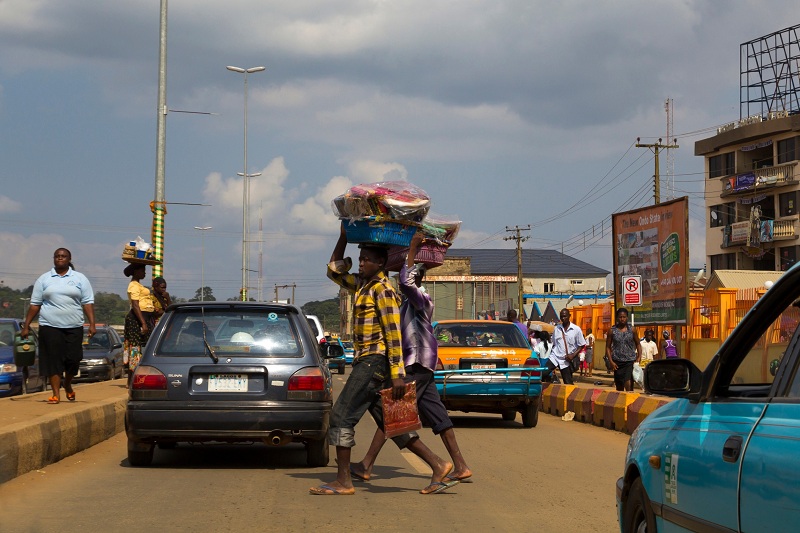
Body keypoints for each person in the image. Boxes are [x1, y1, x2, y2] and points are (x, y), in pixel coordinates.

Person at [309, 224, 457, 496]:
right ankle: (438, 464)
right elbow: (333, 270)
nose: (362, 262)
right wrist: (343, 237)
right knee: (391, 422)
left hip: (373, 362)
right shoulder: (361, 285)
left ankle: (343, 481)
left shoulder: (383, 290)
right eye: (361, 257)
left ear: (381, 263)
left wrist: (398, 372)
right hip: (369, 361)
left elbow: (392, 334)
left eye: (367, 259)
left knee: (341, 416)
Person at [350, 232, 473, 486]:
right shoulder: (406, 302)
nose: (400, 279)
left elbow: (406, 282)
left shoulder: (421, 298)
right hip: (423, 366)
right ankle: (460, 465)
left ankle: (367, 464)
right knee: (438, 416)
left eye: (406, 274)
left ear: (416, 277)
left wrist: (414, 247)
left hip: (416, 363)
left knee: (392, 411)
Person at [20, 248, 96, 404]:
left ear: (69, 259)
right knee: (53, 360)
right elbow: (35, 304)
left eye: (63, 256)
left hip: (74, 326)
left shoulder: (79, 278)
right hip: (49, 326)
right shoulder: (44, 279)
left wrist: (92, 324)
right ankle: (55, 393)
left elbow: (87, 302)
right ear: (53, 259)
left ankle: (67, 384)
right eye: (57, 256)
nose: (60, 258)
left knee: (73, 359)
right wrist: (26, 325)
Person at [124, 263, 155, 380]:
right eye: (143, 270)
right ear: (136, 272)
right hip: (137, 318)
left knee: (148, 345)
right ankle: (131, 378)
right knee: (135, 347)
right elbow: (135, 305)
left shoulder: (139, 285)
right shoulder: (133, 285)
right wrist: (143, 323)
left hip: (146, 317)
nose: (144, 273)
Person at [545, 308, 586, 385]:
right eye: (561, 317)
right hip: (555, 357)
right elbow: (554, 342)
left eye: (565, 316)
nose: (563, 318)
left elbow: (582, 344)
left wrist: (573, 355)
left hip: (565, 361)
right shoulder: (557, 328)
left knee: (568, 383)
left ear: (569, 316)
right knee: (543, 373)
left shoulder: (576, 329)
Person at [606, 308, 642, 392]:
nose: (622, 319)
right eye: (620, 317)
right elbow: (608, 347)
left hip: (630, 361)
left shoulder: (632, 330)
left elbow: (638, 343)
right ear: (617, 318)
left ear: (627, 318)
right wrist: (611, 362)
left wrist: (639, 356)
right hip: (617, 362)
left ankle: (630, 399)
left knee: (628, 381)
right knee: (619, 387)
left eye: (624, 317)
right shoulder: (612, 331)